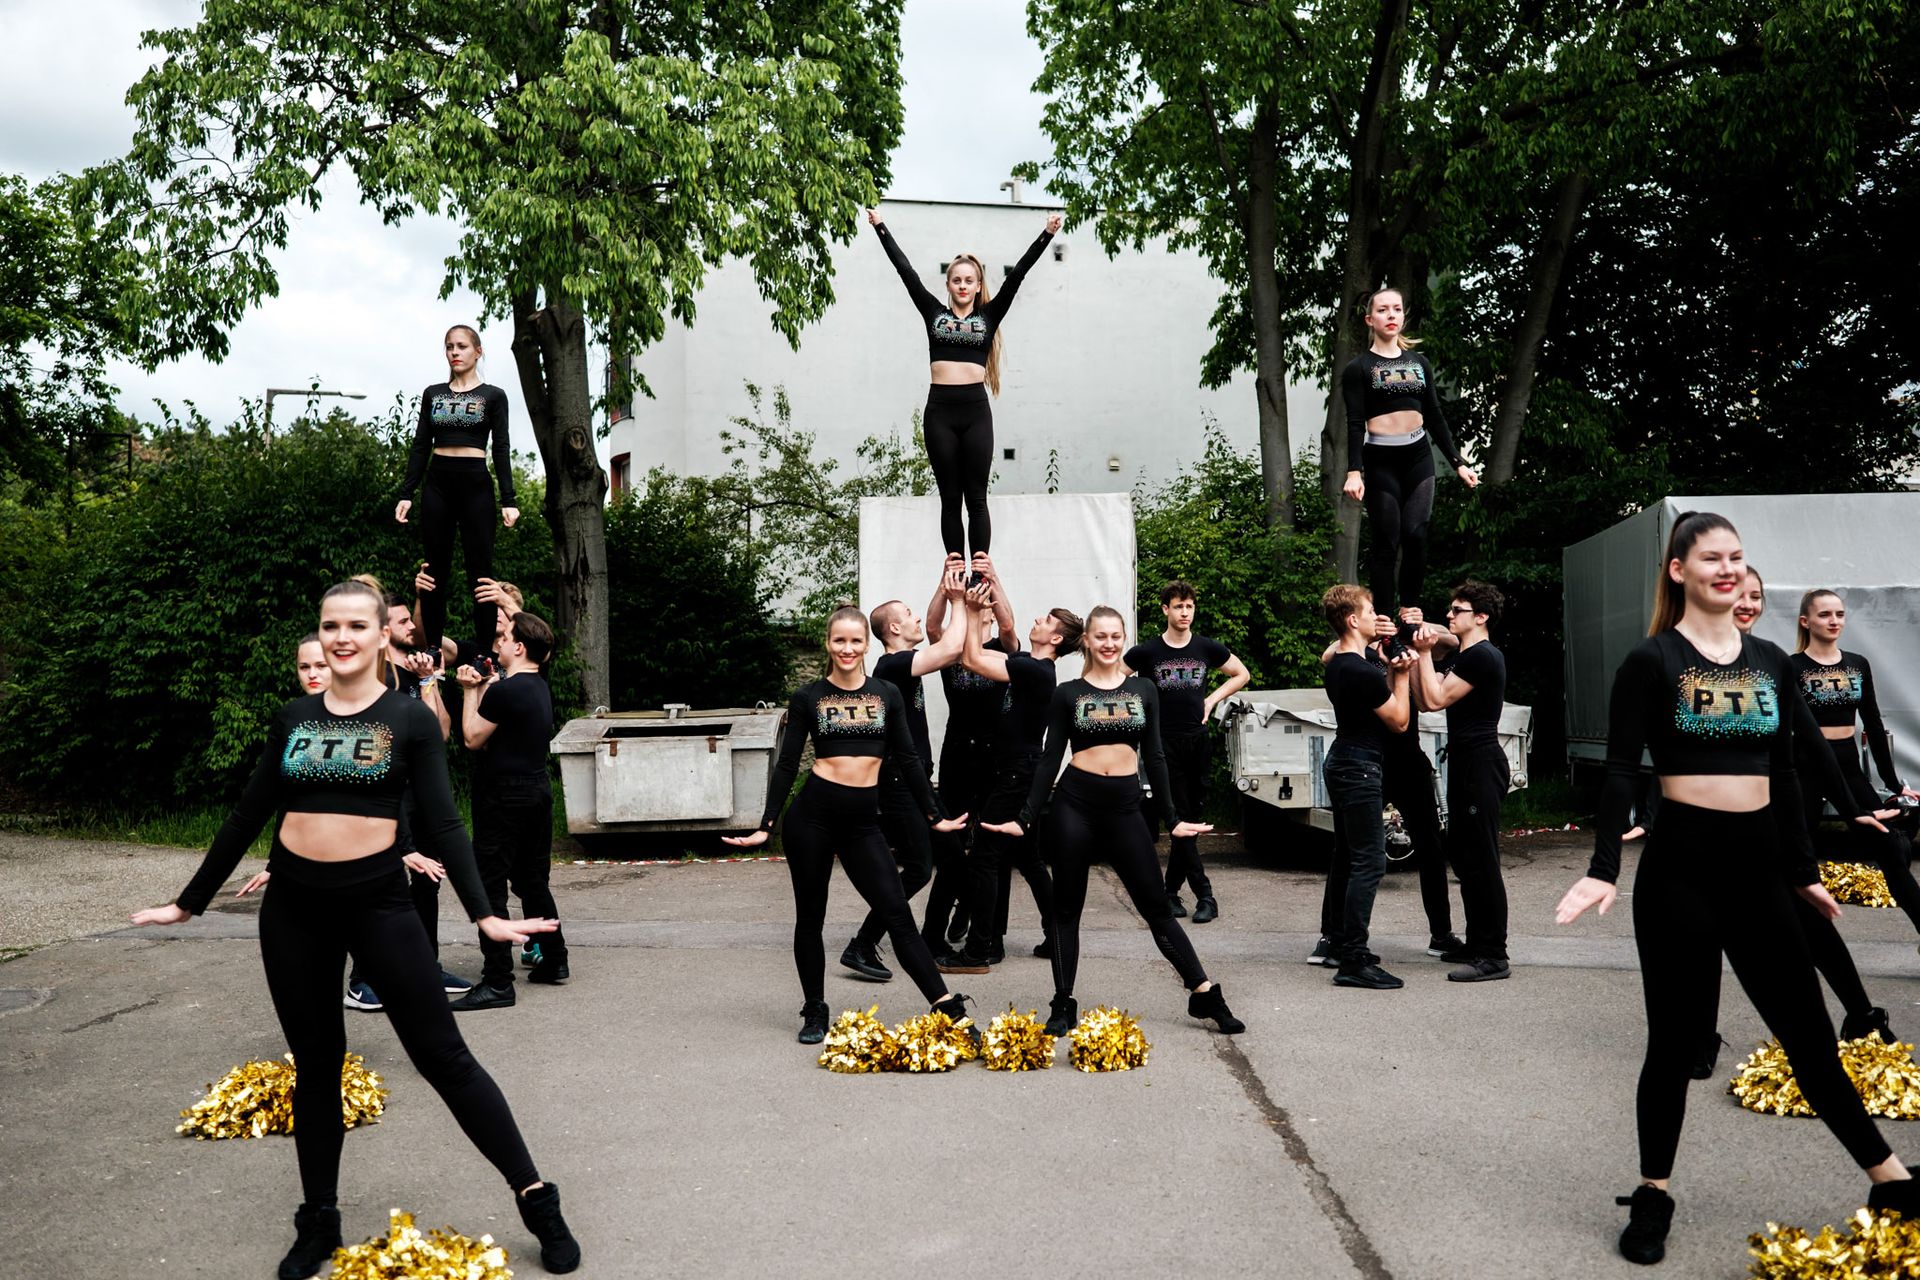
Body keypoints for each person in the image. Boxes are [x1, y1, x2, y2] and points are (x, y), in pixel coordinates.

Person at [129, 580, 579, 1278]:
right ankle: (319, 1220)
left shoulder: (409, 718)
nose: (341, 637)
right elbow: (248, 814)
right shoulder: (293, 718)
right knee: (317, 1065)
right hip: (294, 910)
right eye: (330, 625)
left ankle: (536, 1197)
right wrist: (189, 903)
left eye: (356, 625)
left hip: (378, 905)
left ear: (380, 636)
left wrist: (485, 915)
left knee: (445, 1057)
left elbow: (446, 822)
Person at [1553, 512, 1916, 1266]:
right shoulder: (1651, 660)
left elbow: (1786, 770)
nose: (1727, 569)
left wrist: (1803, 872)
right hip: (1680, 872)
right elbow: (1620, 771)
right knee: (1673, 1043)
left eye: (1736, 557)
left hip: (1759, 872)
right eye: (1711, 557)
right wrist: (1602, 869)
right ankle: (1653, 1193)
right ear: (1678, 570)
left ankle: (1891, 1180)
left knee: (1810, 1038)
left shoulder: (1770, 662)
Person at [980, 606, 1245, 1037]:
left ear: (1124, 639)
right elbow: (1050, 759)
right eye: (1100, 636)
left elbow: (1154, 757)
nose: (1109, 644)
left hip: (1124, 807)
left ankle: (1204, 993)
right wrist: (1025, 818)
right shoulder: (1067, 693)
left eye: (1116, 636)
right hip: (1074, 805)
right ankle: (1063, 1004)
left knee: (1157, 908)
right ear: (1087, 640)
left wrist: (1173, 819)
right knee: (1066, 910)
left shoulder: (1144, 689)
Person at [724, 606, 972, 1044]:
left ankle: (949, 1010)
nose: (847, 648)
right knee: (810, 918)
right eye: (839, 640)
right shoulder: (809, 697)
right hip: (812, 820)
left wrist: (935, 817)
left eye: (855, 641)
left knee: (898, 916)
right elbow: (787, 764)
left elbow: (909, 759)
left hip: (861, 825)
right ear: (828, 643)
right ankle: (814, 1010)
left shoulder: (886, 694)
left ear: (866, 645)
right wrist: (767, 825)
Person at [867, 206, 1062, 562]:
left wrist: (1047, 235)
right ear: (948, 284)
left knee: (976, 498)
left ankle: (980, 570)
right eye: (956, 280)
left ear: (978, 286)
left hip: (975, 413)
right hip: (940, 413)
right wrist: (881, 227)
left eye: (969, 281)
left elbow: (1018, 275)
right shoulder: (933, 313)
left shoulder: (988, 316)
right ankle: (956, 568)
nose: (962, 285)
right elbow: (905, 271)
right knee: (950, 499)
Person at [836, 563, 969, 982]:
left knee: (953, 860)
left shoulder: (902, 661)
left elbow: (932, 626)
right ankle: (862, 943)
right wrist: (958, 600)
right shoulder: (891, 666)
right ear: (894, 628)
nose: (917, 620)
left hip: (916, 780)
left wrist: (944, 586)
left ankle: (932, 939)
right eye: (908, 614)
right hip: (897, 783)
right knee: (918, 868)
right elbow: (950, 648)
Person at [932, 583, 1066, 973]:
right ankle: (1054, 933)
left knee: (986, 858)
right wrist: (989, 578)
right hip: (1005, 767)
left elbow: (974, 657)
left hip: (1014, 771)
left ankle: (982, 948)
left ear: (1056, 638)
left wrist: (972, 609)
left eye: (1046, 620)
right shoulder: (1028, 663)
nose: (1037, 619)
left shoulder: (1034, 668)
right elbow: (1000, 631)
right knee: (1026, 857)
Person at [1339, 288, 1479, 616]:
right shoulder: (1358, 368)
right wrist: (1354, 471)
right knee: (1387, 540)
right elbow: (1355, 423)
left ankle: (1410, 611)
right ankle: (1385, 619)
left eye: (1397, 309)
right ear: (1369, 319)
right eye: (1383, 310)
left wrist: (1458, 462)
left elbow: (1434, 415)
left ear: (1403, 316)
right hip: (1381, 460)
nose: (1391, 315)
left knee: (1416, 536)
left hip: (1417, 457)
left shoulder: (1419, 363)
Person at [452, 611, 567, 1009]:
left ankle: (498, 980)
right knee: (532, 880)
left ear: (519, 647)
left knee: (490, 885)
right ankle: (555, 959)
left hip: (503, 796)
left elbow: (472, 738)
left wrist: (470, 690)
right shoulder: (537, 686)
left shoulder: (505, 691)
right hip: (536, 791)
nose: (498, 642)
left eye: (505, 638)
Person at [1123, 580, 1250, 924]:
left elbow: (1241, 674)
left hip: (1198, 742)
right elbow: (1114, 680)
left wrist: (1211, 700)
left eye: (1189, 606)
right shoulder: (1147, 652)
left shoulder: (1206, 647)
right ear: (1165, 609)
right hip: (1162, 745)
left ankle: (1169, 893)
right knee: (1179, 817)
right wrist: (1138, 712)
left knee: (1190, 819)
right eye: (1178, 606)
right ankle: (1206, 895)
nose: (1184, 612)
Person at [394, 325, 519, 662]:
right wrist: (407, 492)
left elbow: (501, 448)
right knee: (434, 569)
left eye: (462, 346)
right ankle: (433, 646)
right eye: (449, 346)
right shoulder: (433, 394)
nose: (455, 352)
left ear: (478, 351)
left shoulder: (493, 396)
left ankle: (483, 653)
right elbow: (421, 444)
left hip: (475, 484)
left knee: (481, 571)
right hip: (438, 483)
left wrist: (509, 500)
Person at [1317, 585, 1420, 990]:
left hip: (1345, 761)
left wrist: (1389, 667)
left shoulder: (1343, 663)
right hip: (1358, 767)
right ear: (1352, 620)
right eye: (1370, 610)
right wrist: (1403, 675)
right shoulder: (1359, 670)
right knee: (1370, 862)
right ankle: (1354, 960)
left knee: (1350, 856)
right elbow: (1399, 721)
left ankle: (1343, 944)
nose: (1376, 616)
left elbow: (1377, 701)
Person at [1412, 581, 1511, 981]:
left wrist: (1423, 652)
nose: (1450, 616)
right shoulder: (1463, 656)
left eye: (1458, 610)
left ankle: (1494, 955)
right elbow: (1425, 701)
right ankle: (1476, 943)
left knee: (1482, 859)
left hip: (1481, 763)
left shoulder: (1482, 656)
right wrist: (1416, 648)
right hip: (1466, 762)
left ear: (1481, 617)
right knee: (1465, 857)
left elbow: (1435, 699)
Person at [921, 554, 1017, 951]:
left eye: (989, 609)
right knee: (952, 844)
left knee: (993, 846)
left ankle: (991, 932)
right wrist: (946, 582)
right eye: (979, 608)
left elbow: (1010, 627)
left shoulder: (1002, 650)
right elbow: (931, 626)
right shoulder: (950, 649)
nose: (984, 612)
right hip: (958, 754)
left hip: (995, 757)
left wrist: (994, 578)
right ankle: (949, 917)